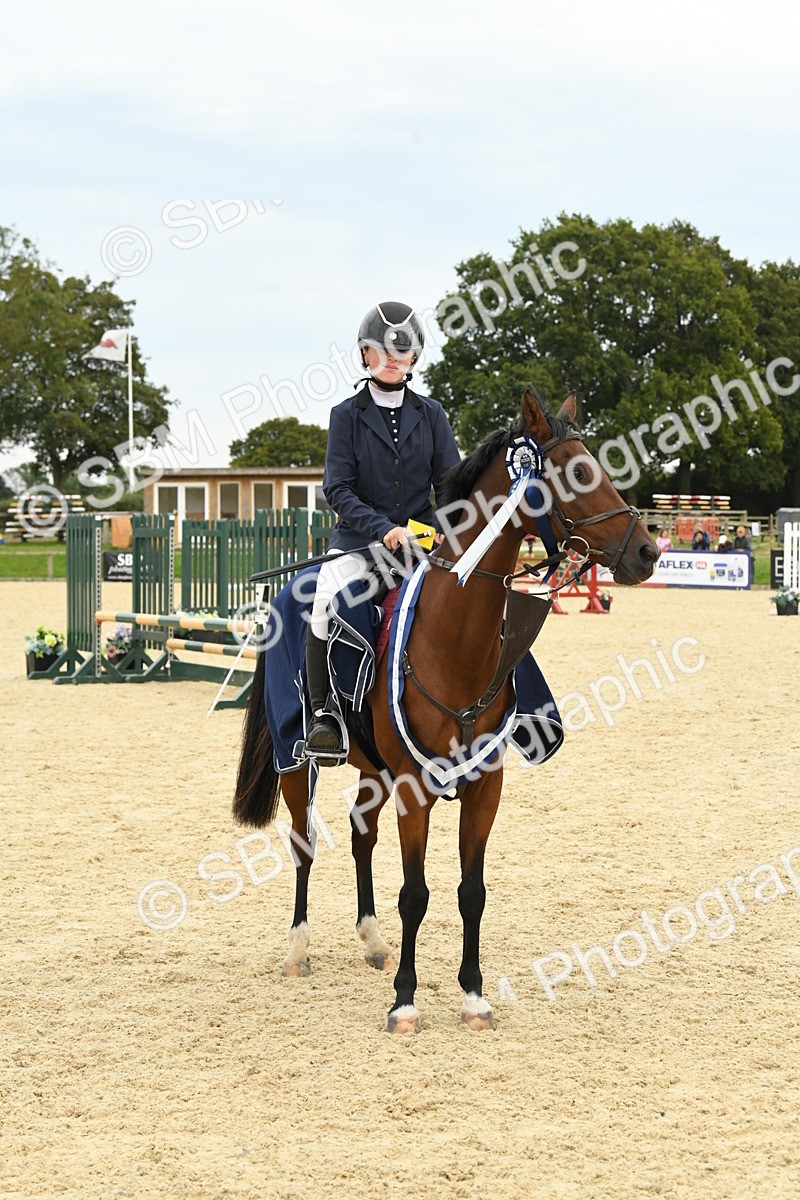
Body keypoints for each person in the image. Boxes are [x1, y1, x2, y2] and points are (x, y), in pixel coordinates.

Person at [304, 301, 461, 761]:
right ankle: (324, 715)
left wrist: (438, 532)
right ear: (364, 354)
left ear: (415, 357)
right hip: (359, 542)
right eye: (383, 350)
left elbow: (450, 485)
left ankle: (516, 705)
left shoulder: (432, 414)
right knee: (324, 597)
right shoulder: (346, 415)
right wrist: (383, 529)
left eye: (404, 351)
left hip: (419, 544)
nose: (394, 359)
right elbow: (339, 489)